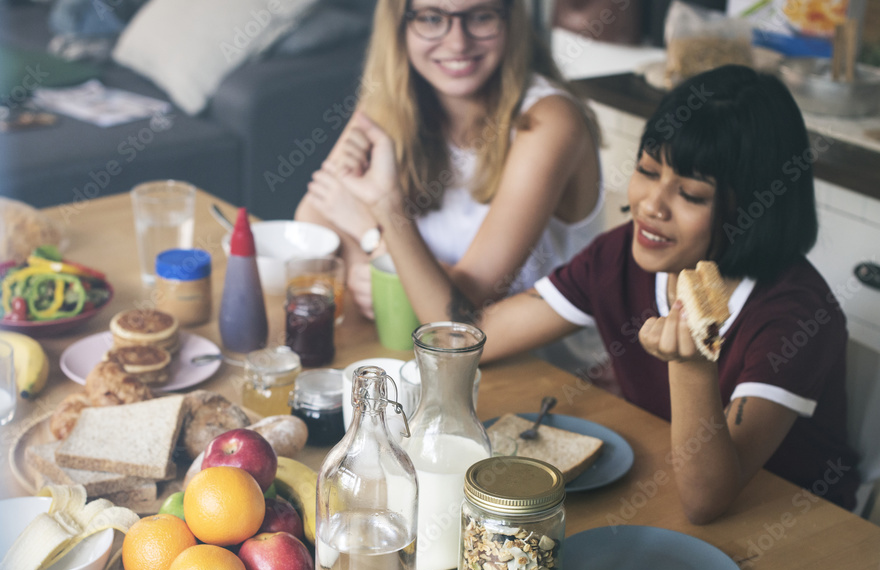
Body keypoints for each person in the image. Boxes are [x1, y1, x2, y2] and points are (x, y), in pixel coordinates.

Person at [332, 64, 861, 523]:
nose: (652, 205)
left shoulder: (794, 315)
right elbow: (475, 339)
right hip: (658, 492)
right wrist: (387, 207)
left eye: (691, 195)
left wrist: (693, 365)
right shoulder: (619, 258)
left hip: (799, 532)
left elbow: (708, 499)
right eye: (647, 172)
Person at [295, 0, 607, 377]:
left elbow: (459, 312)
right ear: (401, 27)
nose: (457, 42)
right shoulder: (392, 104)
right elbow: (313, 220)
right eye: (431, 17)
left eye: (480, 15)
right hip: (430, 361)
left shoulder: (549, 121)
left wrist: (372, 238)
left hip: (541, 377)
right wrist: (378, 271)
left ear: (510, 20)